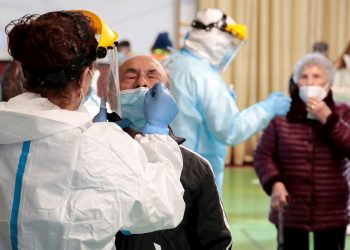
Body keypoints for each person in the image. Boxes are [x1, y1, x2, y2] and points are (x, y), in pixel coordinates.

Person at [0, 10, 186, 250]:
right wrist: (158, 134)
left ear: (24, 74)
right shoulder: (107, 148)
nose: (141, 82)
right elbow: (164, 207)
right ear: (85, 77)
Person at [162, 8, 291, 193]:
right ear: (216, 40)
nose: (229, 50)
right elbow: (230, 130)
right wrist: (267, 109)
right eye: (228, 43)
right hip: (194, 174)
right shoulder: (204, 76)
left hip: (165, 168)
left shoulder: (170, 62)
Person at [111, 55, 232, 249]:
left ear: (169, 95)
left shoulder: (195, 167)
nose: (141, 83)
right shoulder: (99, 156)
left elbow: (216, 240)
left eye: (152, 76)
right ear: (112, 93)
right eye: (130, 76)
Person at [254, 53, 350, 250]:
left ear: (328, 83)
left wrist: (328, 118)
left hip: (332, 210)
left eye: (317, 77)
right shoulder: (281, 118)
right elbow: (263, 155)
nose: (310, 82)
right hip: (291, 209)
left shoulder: (343, 113)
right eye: (304, 77)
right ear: (297, 83)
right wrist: (275, 183)